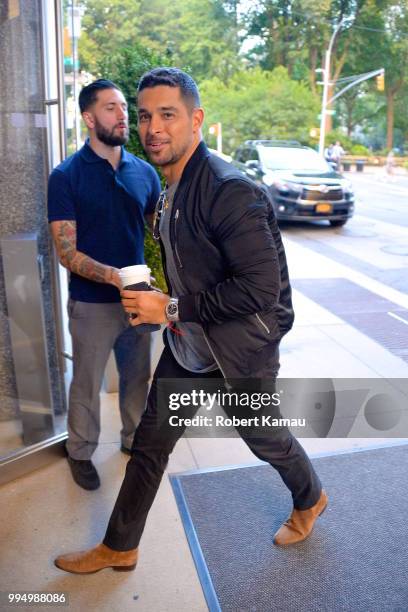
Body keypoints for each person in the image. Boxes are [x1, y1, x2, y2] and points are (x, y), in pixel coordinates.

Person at [54, 68, 327, 573]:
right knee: (152, 446)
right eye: (144, 116)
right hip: (189, 350)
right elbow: (195, 267)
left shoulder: (231, 191)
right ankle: (120, 545)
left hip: (240, 353)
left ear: (196, 119)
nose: (153, 127)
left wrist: (173, 308)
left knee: (264, 436)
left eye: (168, 115)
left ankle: (309, 497)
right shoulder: (170, 186)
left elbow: (260, 291)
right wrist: (166, 299)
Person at [48, 79, 161, 490]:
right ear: (89, 117)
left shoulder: (144, 172)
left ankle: (133, 441)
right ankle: (79, 451)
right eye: (111, 107)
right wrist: (113, 276)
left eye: (123, 107)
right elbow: (66, 252)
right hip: (91, 303)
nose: (123, 114)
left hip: (139, 302)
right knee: (86, 384)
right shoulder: (66, 176)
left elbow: (158, 231)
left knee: (137, 378)